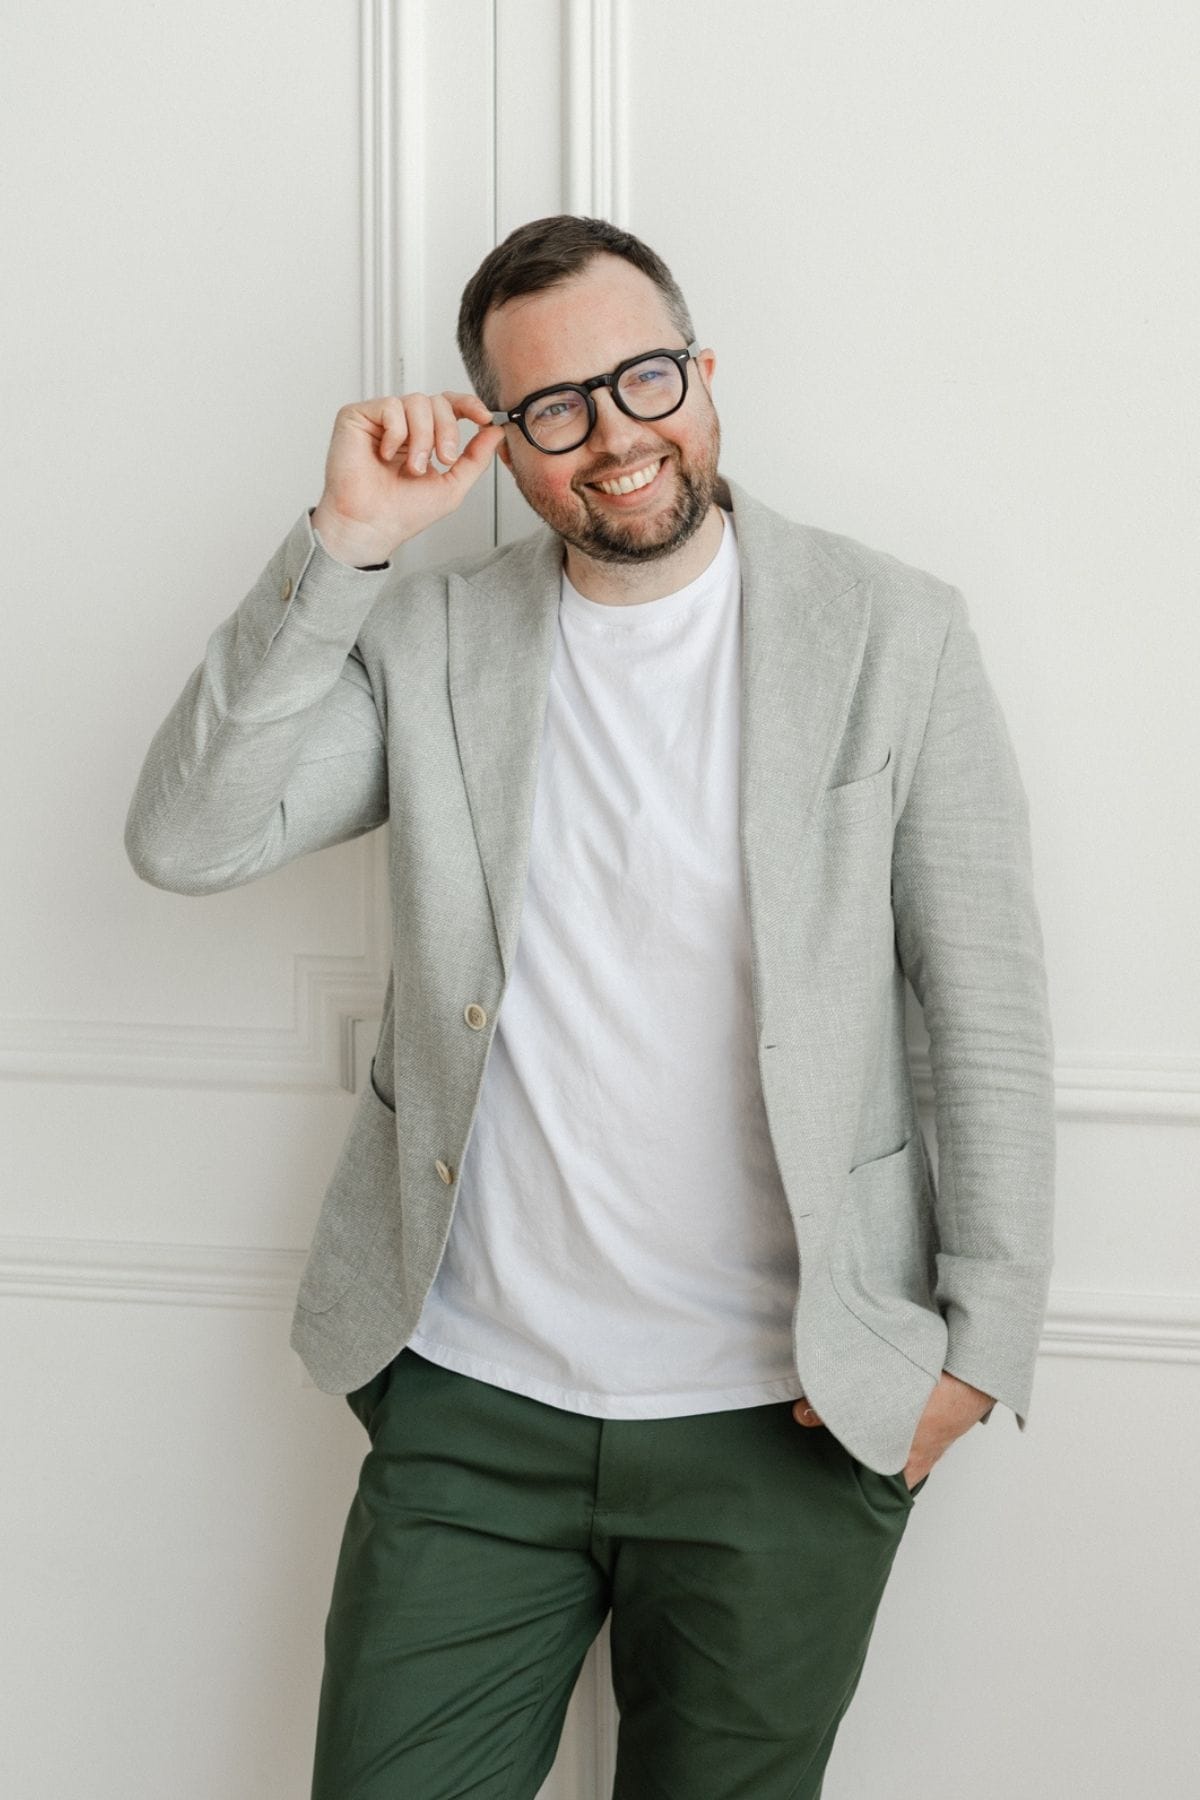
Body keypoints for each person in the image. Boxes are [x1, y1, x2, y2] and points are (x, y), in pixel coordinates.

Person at [124, 214, 1056, 1799]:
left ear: (702, 373)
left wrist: (979, 1355)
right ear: (504, 439)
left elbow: (986, 1004)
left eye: (642, 381)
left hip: (793, 1419)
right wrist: (345, 543)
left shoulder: (893, 632)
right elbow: (188, 838)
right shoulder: (432, 637)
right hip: (473, 1411)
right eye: (555, 409)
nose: (613, 437)